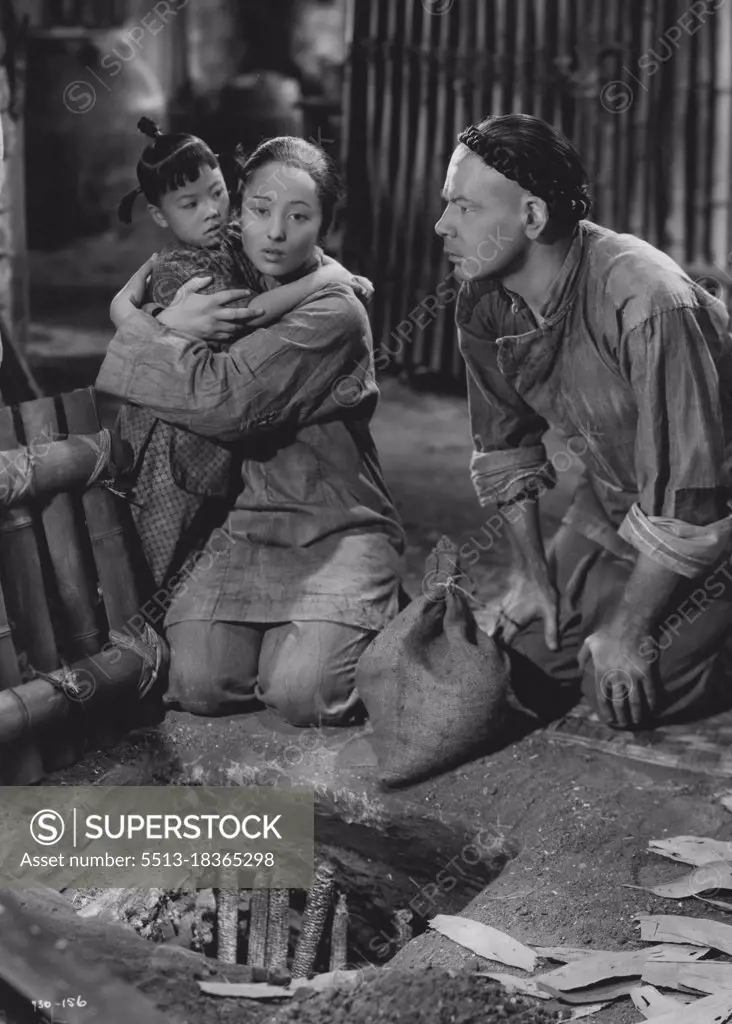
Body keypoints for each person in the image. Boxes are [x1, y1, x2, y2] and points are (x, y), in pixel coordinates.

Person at [436, 112, 732, 731]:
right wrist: (533, 576)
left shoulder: (647, 299)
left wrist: (630, 628)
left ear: (534, 217)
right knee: (524, 654)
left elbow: (693, 495)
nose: (443, 226)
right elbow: (505, 447)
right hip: (614, 503)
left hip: (712, 515)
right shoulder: (482, 297)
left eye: (464, 208)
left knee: (617, 688)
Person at [97, 136, 406, 726]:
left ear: (323, 224)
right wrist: (138, 315)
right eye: (259, 210)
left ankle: (376, 617)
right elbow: (142, 283)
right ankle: (301, 633)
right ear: (239, 207)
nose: (275, 232)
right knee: (199, 686)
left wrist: (148, 335)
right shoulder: (226, 263)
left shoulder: (335, 308)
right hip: (241, 524)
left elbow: (224, 400)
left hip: (332, 525)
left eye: (299, 216)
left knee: (302, 694)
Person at [116, 118, 370, 587]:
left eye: (217, 193)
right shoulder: (179, 269)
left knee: (192, 556)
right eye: (189, 204)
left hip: (220, 451)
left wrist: (334, 271)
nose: (211, 211)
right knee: (153, 564)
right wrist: (325, 280)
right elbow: (245, 316)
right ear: (159, 215)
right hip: (170, 440)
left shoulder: (235, 237)